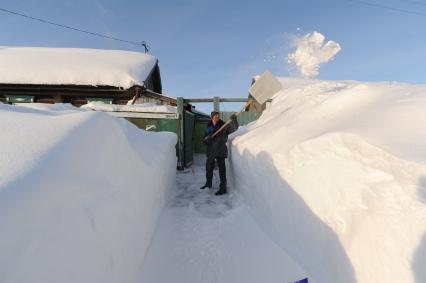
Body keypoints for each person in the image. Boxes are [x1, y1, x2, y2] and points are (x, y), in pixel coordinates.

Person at [200, 111, 239, 195]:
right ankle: (208, 184)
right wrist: (206, 139)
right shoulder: (208, 126)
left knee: (222, 170)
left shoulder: (223, 125)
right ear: (212, 117)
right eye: (215, 116)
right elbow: (204, 139)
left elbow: (234, 128)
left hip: (220, 150)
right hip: (211, 150)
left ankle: (223, 188)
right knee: (209, 168)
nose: (217, 117)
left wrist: (234, 120)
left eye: (218, 116)